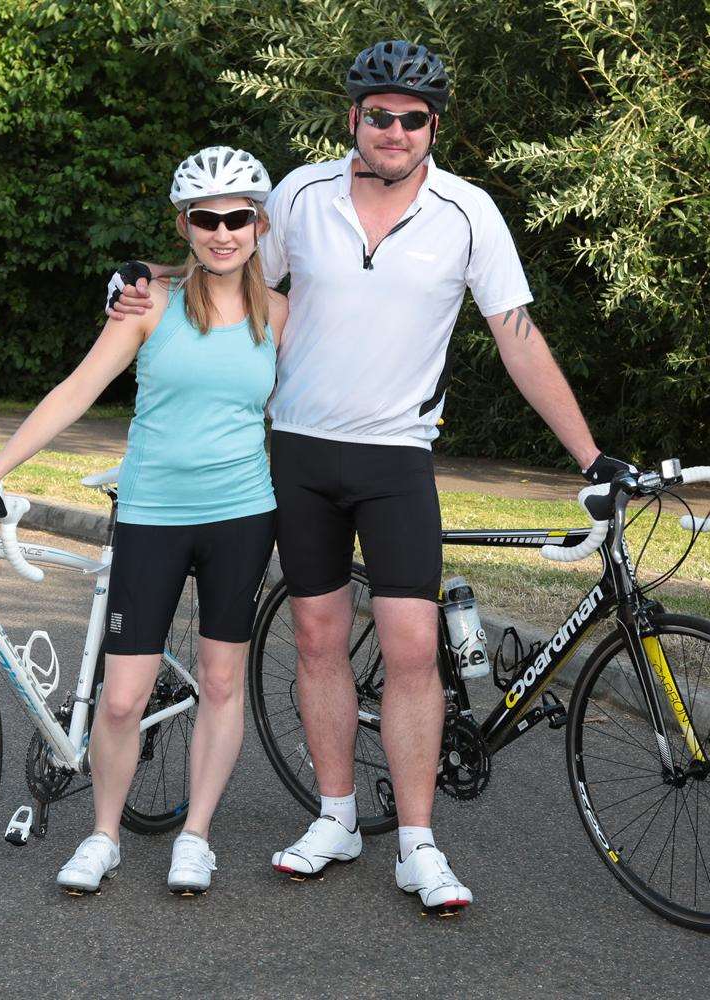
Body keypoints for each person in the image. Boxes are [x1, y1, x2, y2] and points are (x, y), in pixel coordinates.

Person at [108, 42, 632, 915]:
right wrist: (142, 279)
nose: (394, 130)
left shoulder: (470, 213)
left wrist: (590, 455)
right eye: (378, 114)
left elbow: (517, 335)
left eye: (412, 118)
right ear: (352, 118)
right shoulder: (300, 197)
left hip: (396, 459)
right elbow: (225, 273)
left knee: (412, 648)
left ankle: (419, 843)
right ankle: (337, 815)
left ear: (436, 127)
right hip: (299, 452)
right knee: (316, 641)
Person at [0, 145, 287, 896]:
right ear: (184, 225)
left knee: (222, 684)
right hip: (153, 516)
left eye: (237, 217)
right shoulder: (148, 306)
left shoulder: (281, 314)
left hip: (242, 517)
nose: (222, 232)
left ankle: (196, 836)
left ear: (259, 222)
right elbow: (75, 390)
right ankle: (104, 834)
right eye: (205, 219)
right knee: (121, 696)